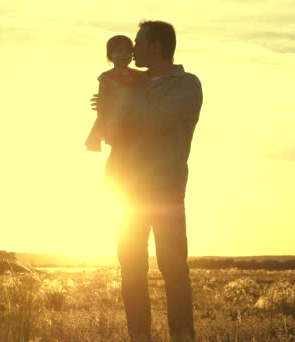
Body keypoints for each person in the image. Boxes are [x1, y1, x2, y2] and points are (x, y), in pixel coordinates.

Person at [92, 20, 203, 341]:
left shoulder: (186, 85)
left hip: (165, 190)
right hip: (124, 189)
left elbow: (154, 119)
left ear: (156, 45)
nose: (132, 48)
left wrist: (119, 104)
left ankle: (182, 336)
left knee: (174, 268)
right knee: (130, 268)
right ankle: (139, 335)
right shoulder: (127, 81)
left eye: (138, 42)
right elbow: (111, 131)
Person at [85, 35, 142, 152]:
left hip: (134, 118)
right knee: (119, 149)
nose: (124, 55)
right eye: (119, 51)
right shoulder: (106, 77)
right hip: (115, 118)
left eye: (128, 51)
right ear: (111, 55)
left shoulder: (139, 75)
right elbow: (102, 102)